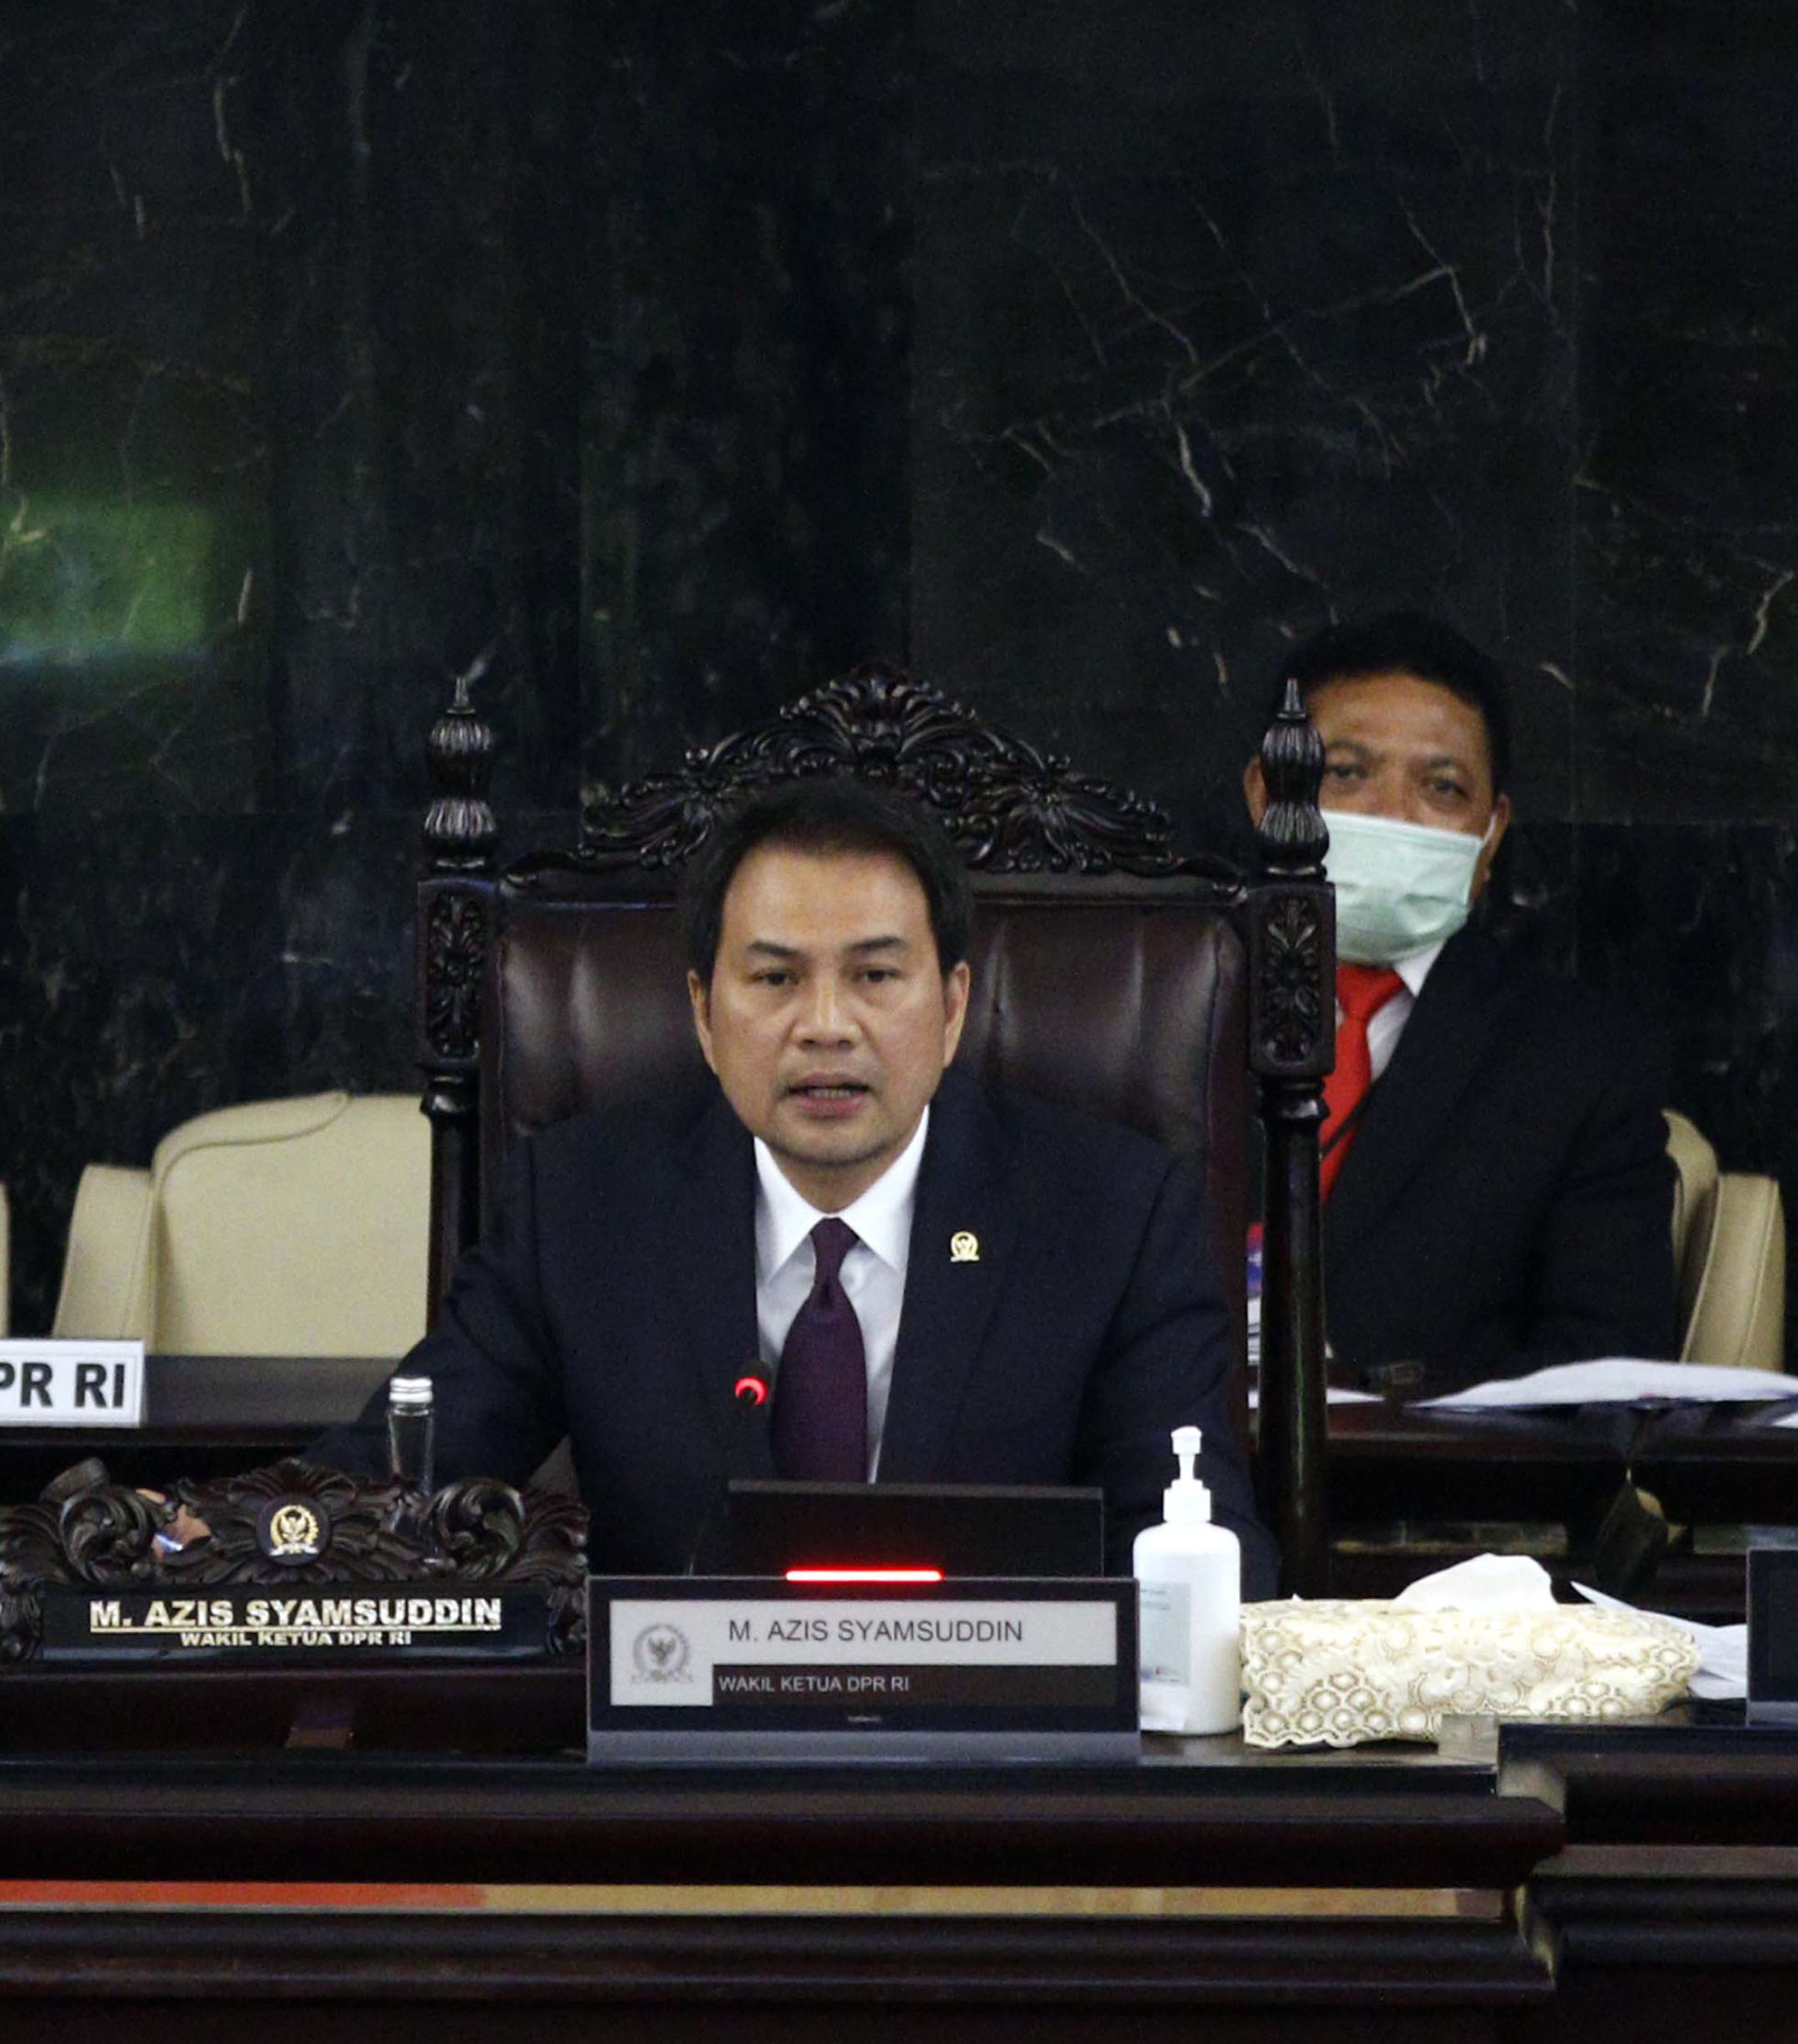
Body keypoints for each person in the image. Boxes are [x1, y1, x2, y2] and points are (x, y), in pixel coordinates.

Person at [338, 775, 1263, 1579]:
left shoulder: (1112, 1214)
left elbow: (1198, 1535)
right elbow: (402, 1478)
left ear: (952, 1007)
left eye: (874, 976)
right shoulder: (582, 1209)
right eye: (776, 981)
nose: (826, 1025)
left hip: (997, 1759)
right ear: (703, 1011)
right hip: (675, 1759)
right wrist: (232, 1540)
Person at [1246, 612, 1674, 1397]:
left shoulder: (1580, 1065)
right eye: (1346, 773)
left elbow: (1608, 1368)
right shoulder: (1157, 1009)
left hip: (1427, 1506)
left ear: (1489, 833)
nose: (1391, 816)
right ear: (1265, 793)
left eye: (1441, 788)